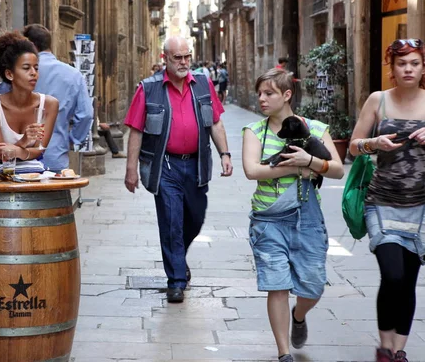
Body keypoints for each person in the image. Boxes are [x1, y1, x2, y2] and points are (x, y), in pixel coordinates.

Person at [241, 68, 344, 362]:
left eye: (269, 93)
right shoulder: (254, 131)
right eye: (260, 93)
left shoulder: (314, 127)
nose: (262, 99)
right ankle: (284, 353)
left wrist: (310, 159)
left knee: (312, 285)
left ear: (286, 95)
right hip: (267, 220)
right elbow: (253, 171)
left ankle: (300, 315)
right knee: (277, 285)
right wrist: (299, 168)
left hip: (307, 219)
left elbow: (337, 169)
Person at [124, 36, 233, 303]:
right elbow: (136, 130)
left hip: (196, 164)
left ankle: (178, 256)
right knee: (171, 221)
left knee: (195, 218)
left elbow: (215, 123)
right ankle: (176, 280)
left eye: (187, 57)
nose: (184, 62)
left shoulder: (203, 85)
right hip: (166, 165)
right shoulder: (148, 89)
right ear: (165, 59)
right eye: (178, 58)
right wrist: (131, 169)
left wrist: (225, 154)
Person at [349, 38, 425, 362]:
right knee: (392, 274)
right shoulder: (378, 101)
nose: (408, 69)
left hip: (420, 206)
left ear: (422, 67)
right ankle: (384, 346)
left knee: (408, 280)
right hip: (381, 201)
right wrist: (374, 143)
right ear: (391, 69)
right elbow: (352, 146)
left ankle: (397, 351)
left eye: (415, 63)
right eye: (401, 64)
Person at [0, 24, 94, 173]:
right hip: (55, 156)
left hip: (16, 164)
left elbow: (1, 100)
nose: (33, 73)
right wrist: (70, 140)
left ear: (31, 44)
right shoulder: (73, 75)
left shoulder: (15, 77)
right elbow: (86, 114)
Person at [0, 31, 59, 172]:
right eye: (26, 68)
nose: (33, 73)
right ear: (9, 74)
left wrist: (16, 151)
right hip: (2, 180)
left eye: (36, 68)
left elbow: (40, 150)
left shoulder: (49, 104)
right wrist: (24, 142)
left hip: (35, 177)